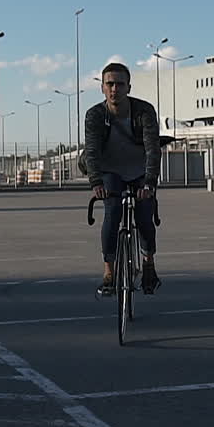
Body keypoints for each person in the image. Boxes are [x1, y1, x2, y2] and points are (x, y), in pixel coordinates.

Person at [83, 62, 162, 296]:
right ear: (102, 88)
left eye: (119, 84)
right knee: (113, 210)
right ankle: (109, 271)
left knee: (144, 213)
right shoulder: (95, 115)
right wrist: (96, 183)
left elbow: (152, 149)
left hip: (139, 171)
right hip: (110, 171)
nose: (114, 88)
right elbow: (92, 151)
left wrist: (149, 183)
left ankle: (148, 263)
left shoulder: (144, 111)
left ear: (129, 87)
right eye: (110, 84)